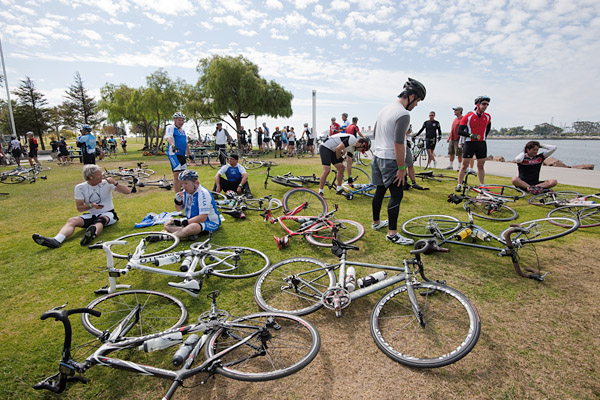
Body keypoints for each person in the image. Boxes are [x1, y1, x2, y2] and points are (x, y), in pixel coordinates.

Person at [371, 77, 426, 245]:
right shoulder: (403, 113)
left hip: (377, 156)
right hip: (390, 159)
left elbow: (374, 134)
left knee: (380, 191)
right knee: (396, 194)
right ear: (411, 96)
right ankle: (393, 234)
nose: (416, 105)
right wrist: (402, 168)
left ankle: (376, 223)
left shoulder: (384, 110)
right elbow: (398, 142)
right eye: (417, 101)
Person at [32, 164, 131, 248]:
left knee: (101, 220)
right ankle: (56, 241)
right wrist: (91, 205)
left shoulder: (107, 183)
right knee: (72, 220)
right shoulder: (80, 188)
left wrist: (115, 183)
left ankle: (92, 234)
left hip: (108, 214)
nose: (102, 177)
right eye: (99, 175)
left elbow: (127, 192)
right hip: (91, 214)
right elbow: (79, 208)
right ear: (90, 177)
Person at [165, 169, 221, 239]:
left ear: (195, 182)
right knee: (167, 224)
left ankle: (167, 237)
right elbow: (179, 209)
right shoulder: (187, 192)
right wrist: (178, 201)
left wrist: (183, 223)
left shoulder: (203, 194)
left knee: (192, 227)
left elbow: (202, 218)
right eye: (182, 183)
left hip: (210, 222)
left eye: (186, 183)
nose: (183, 186)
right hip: (192, 221)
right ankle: (186, 233)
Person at [456, 96, 492, 191]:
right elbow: (459, 131)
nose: (486, 106)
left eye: (487, 104)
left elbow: (488, 128)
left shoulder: (488, 116)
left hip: (481, 143)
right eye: (484, 104)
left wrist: (484, 137)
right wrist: (471, 135)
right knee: (464, 166)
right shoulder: (468, 117)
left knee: (480, 166)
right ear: (477, 104)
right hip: (470, 143)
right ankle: (459, 184)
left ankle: (482, 185)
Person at [165, 112, 193, 193]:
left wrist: (189, 154)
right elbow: (168, 137)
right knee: (177, 175)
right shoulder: (171, 127)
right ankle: (177, 195)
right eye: (179, 120)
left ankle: (183, 192)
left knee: (183, 175)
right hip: (173, 154)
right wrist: (173, 145)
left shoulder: (183, 131)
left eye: (182, 120)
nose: (181, 122)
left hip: (182, 154)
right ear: (175, 120)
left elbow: (185, 143)